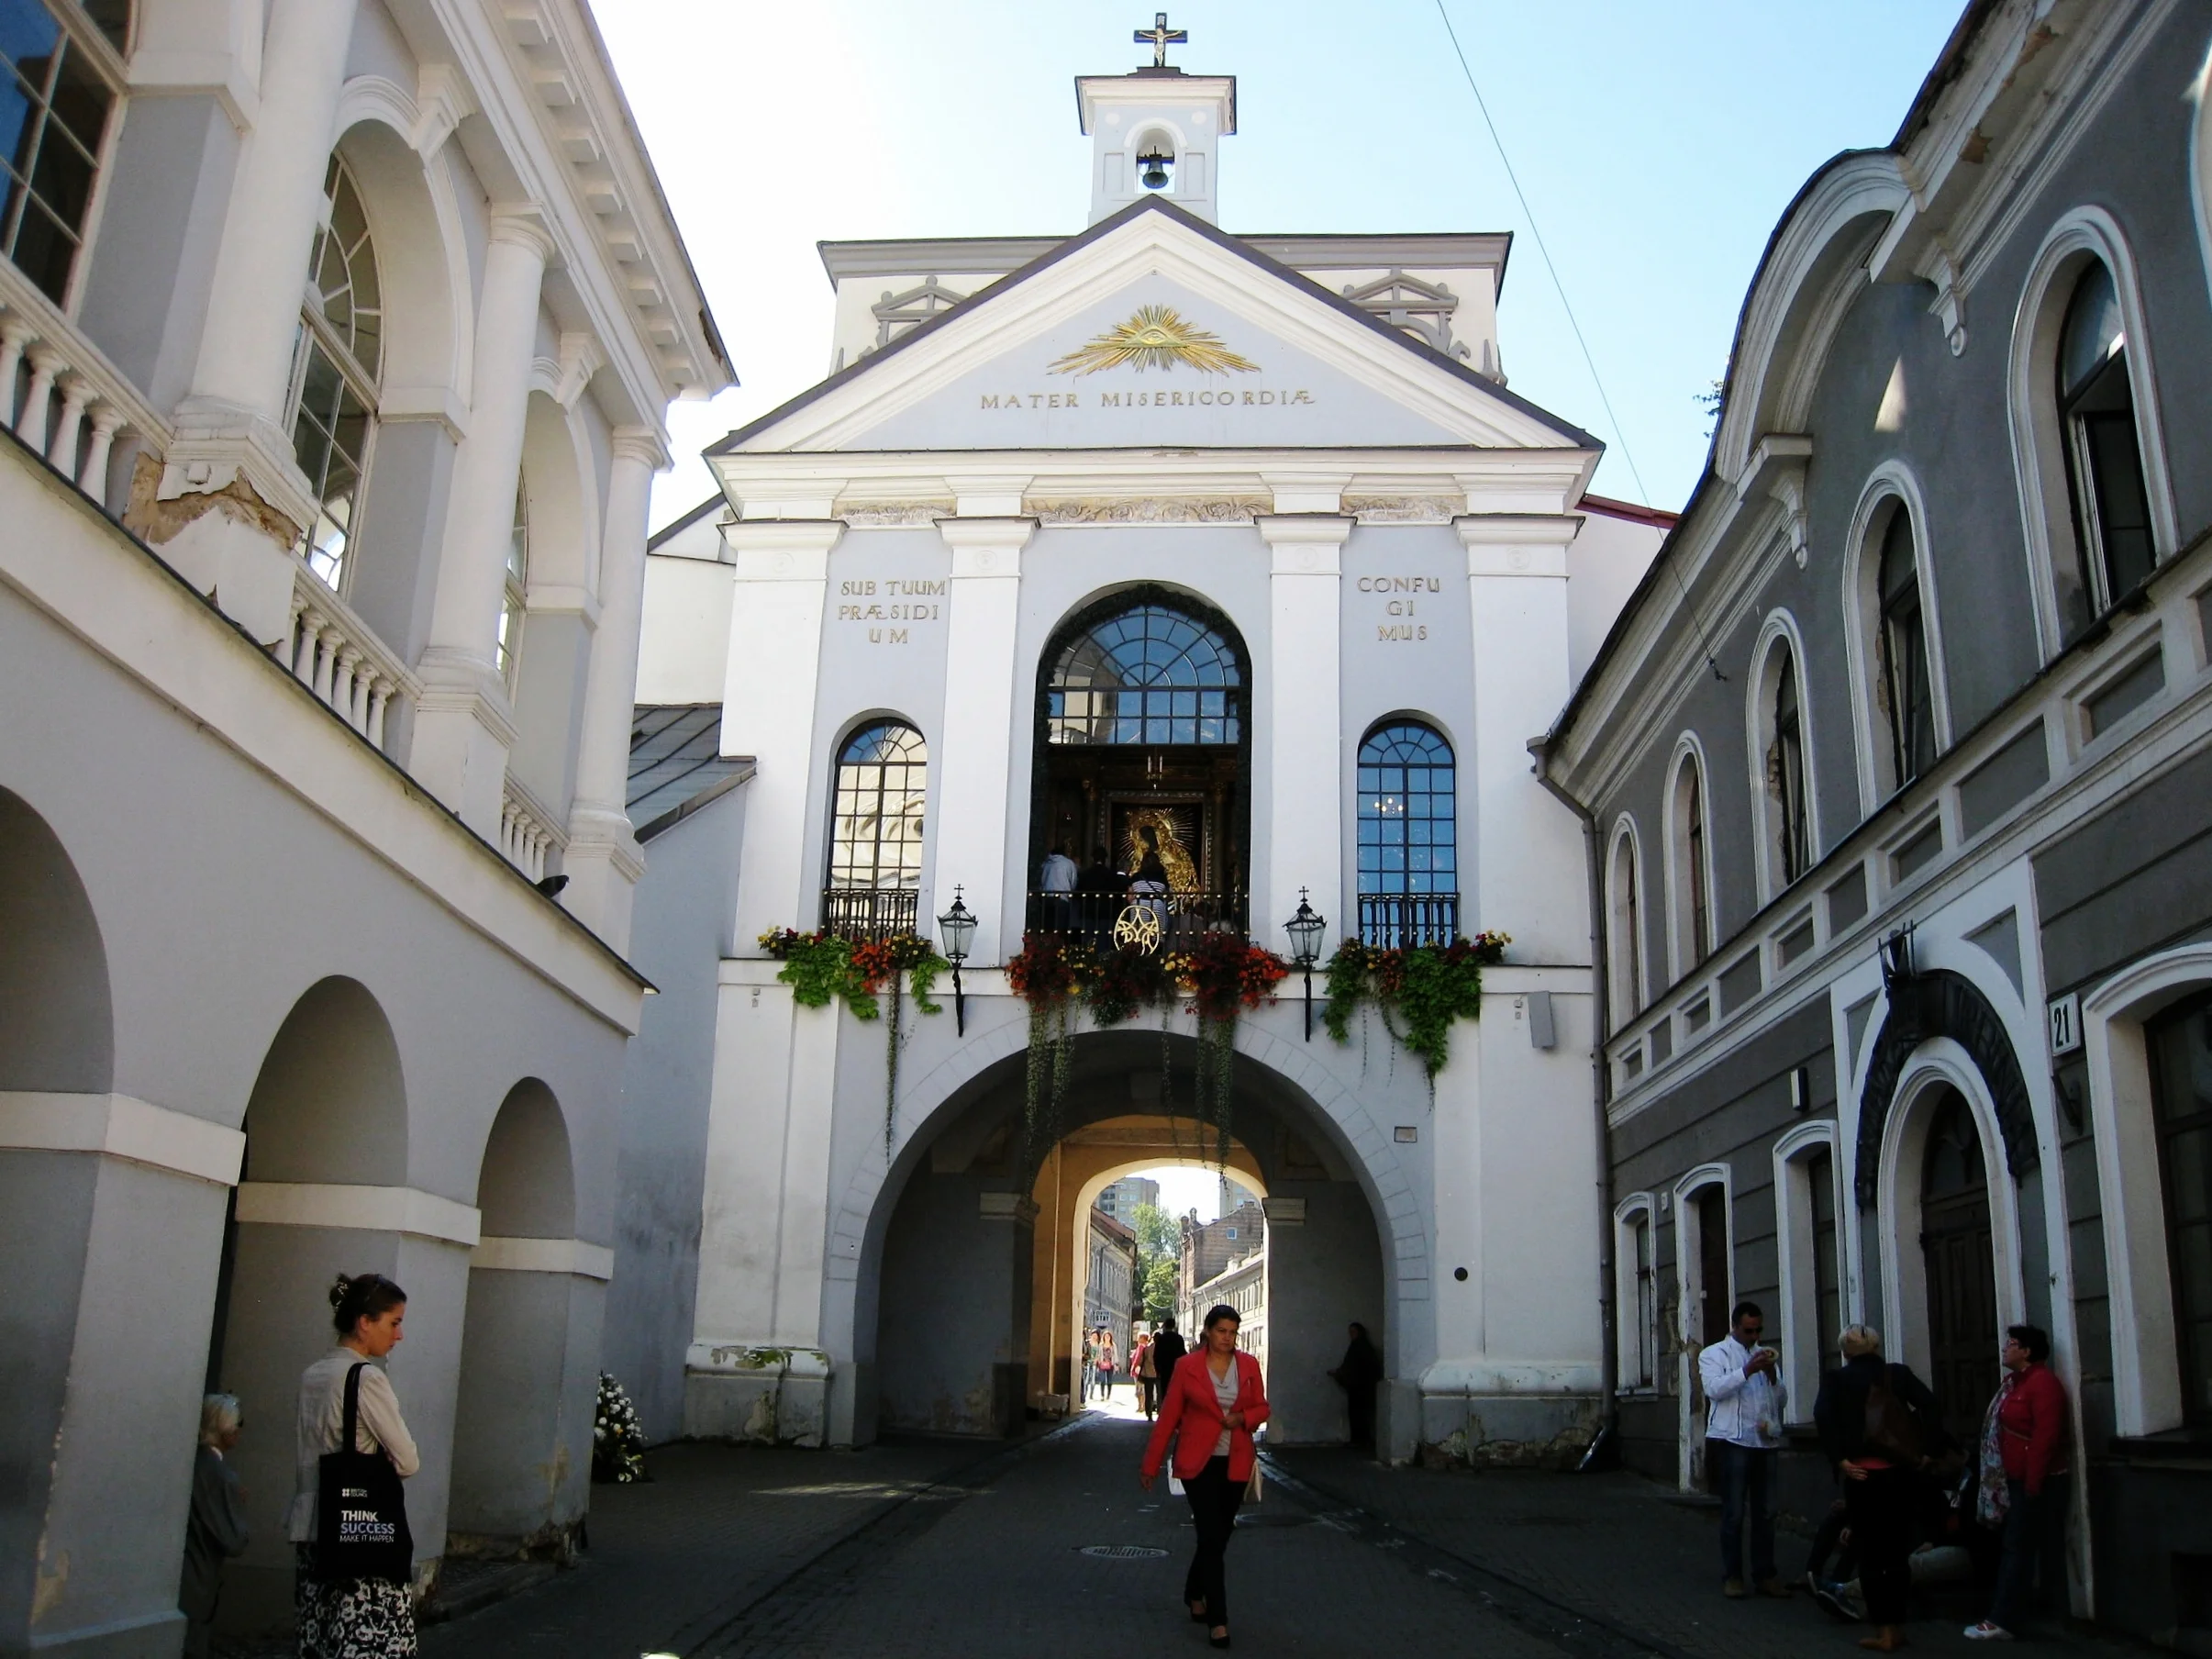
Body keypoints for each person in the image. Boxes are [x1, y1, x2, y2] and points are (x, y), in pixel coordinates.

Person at [293, 1273, 421, 1659]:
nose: (398, 1336)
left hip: (313, 1525)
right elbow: (408, 1460)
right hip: (362, 1529)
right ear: (365, 1322)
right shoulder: (366, 1378)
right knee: (369, 1643)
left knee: (321, 1639)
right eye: (394, 1322)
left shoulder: (313, 1375)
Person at [1140, 1304, 1271, 1650]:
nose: (1227, 1338)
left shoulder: (1248, 1365)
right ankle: (1219, 1620)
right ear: (1208, 1332)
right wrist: (1151, 1465)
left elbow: (1262, 1407)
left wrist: (1242, 1418)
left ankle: (1192, 1592)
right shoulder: (1188, 1367)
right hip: (1198, 1462)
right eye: (1221, 1331)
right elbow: (1168, 1418)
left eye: (1232, 1332)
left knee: (1219, 1535)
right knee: (1211, 1536)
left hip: (1235, 1460)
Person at [1817, 1323, 1943, 1653]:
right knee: (1897, 1553)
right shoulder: (1897, 1375)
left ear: (1845, 1351)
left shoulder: (1837, 1380)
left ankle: (1883, 1629)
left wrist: (1841, 1460)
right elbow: (1930, 1406)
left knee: (1870, 1554)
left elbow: (1824, 1419)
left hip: (1862, 1477)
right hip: (1900, 1476)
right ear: (1875, 1347)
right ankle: (1898, 1626)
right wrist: (1927, 1451)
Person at [1966, 1324, 2068, 1642]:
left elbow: (2045, 1437)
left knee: (2018, 1547)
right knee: (2016, 1545)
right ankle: (2017, 1610)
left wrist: (2033, 1482)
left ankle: (2003, 1619)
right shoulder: (2013, 1384)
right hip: (2011, 1479)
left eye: (2011, 1344)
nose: (2005, 1349)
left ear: (2027, 1351)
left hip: (2034, 1480)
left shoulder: (2042, 1385)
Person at [1698, 1299, 1792, 1601]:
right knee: (1734, 1512)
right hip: (1732, 1440)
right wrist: (1747, 1370)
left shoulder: (1766, 1358)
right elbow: (1714, 1390)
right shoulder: (1714, 1354)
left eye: (1759, 1330)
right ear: (1735, 1327)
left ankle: (1765, 1574)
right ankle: (1733, 1575)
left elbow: (1780, 1400)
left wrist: (1773, 1377)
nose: (1755, 1337)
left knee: (1766, 1512)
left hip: (1764, 1441)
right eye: (1749, 1330)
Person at [181, 1393, 249, 1659]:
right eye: (239, 1423)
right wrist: (238, 1505)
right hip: (198, 1578)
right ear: (227, 1428)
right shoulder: (220, 1476)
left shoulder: (192, 1463)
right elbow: (235, 1540)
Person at [1328, 1321, 1384, 1455]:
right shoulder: (1361, 1347)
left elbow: (1356, 1367)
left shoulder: (1359, 1347)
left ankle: (1360, 1439)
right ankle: (1360, 1439)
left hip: (1360, 1387)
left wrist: (1340, 1373)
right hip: (1360, 1387)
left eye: (1353, 1332)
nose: (1351, 1335)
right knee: (1359, 1413)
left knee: (1358, 1413)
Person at [1039, 843, 1077, 931]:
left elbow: (1042, 880)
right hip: (1062, 897)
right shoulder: (1069, 863)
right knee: (1061, 927)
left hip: (1048, 897)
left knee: (1048, 927)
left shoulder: (1046, 863)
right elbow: (1073, 881)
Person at [1151, 1317, 1187, 1390]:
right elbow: (1182, 1354)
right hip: (1176, 1370)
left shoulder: (1161, 1339)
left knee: (1165, 1392)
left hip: (1164, 1370)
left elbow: (1156, 1356)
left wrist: (1158, 1371)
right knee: (1176, 1391)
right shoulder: (1178, 1338)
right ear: (1173, 1326)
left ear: (1165, 1325)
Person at [1132, 1328, 1157, 1419]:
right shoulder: (1163, 1348)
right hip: (1158, 1374)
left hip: (1148, 1374)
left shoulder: (1146, 1348)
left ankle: (1148, 1412)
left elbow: (1140, 1360)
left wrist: (1135, 1368)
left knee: (1147, 1393)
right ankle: (1158, 1409)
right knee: (1158, 1393)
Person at [1095, 1328, 1117, 1406]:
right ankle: (1102, 1395)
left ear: (1110, 1337)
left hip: (1110, 1364)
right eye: (1106, 1336)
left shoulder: (1113, 1345)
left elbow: (1115, 1355)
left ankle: (1108, 1395)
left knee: (1110, 1380)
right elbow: (1098, 1354)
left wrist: (1116, 1363)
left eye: (1108, 1336)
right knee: (1102, 1380)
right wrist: (1098, 1361)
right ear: (1103, 1337)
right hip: (1102, 1364)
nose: (1107, 1338)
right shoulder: (1101, 1345)